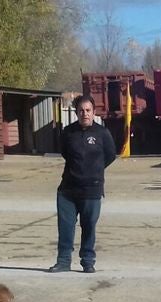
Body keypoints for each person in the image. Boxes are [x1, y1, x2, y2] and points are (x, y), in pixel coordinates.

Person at [49, 94, 116, 273]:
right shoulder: (68, 132)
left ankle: (87, 261)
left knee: (89, 227)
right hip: (68, 190)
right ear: (76, 112)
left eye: (88, 110)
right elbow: (65, 153)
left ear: (94, 112)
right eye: (81, 110)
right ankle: (63, 261)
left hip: (92, 190)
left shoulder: (102, 134)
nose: (84, 114)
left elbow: (110, 155)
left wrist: (94, 171)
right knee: (65, 228)